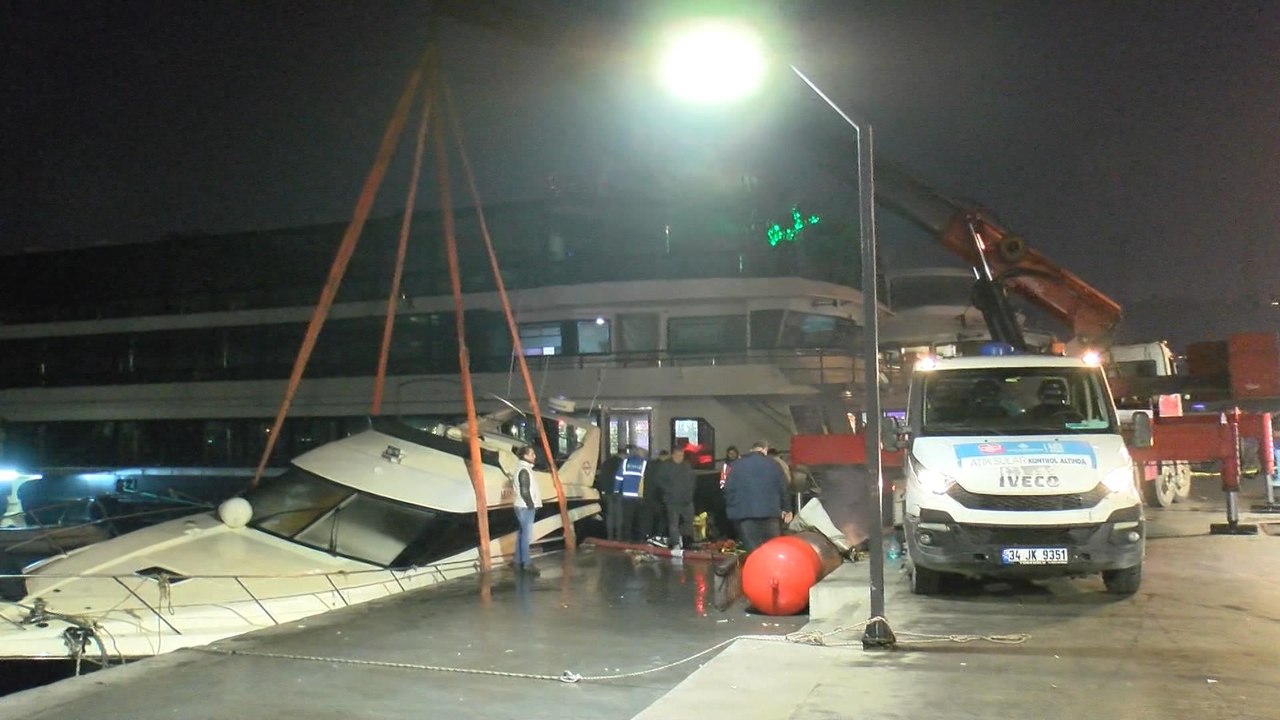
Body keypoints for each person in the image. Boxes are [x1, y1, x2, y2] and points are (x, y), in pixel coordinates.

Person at [723, 441, 792, 552]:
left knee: (753, 552)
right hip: (770, 515)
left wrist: (732, 509)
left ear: (751, 450)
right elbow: (783, 488)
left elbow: (728, 490)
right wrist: (787, 509)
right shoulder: (774, 465)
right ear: (765, 450)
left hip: (745, 516)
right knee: (773, 551)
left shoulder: (736, 465)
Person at [511, 445, 542, 576]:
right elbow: (525, 491)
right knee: (526, 536)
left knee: (521, 535)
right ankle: (527, 563)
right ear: (525, 456)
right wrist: (531, 504)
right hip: (525, 507)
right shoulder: (524, 470)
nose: (534, 456)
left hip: (520, 506)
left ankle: (518, 561)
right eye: (532, 454)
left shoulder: (522, 469)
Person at [611, 444, 647, 542]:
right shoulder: (644, 464)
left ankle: (627, 540)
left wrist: (616, 491)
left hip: (626, 496)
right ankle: (640, 541)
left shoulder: (625, 462)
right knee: (640, 520)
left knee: (627, 520)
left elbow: (618, 478)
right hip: (640, 497)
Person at [664, 447, 697, 549]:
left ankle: (686, 541)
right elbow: (659, 481)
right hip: (672, 501)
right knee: (673, 523)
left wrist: (690, 493)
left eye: (682, 455)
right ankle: (675, 543)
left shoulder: (686, 466)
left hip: (686, 500)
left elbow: (692, 480)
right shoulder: (666, 466)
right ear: (673, 455)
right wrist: (670, 491)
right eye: (678, 455)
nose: (680, 458)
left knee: (689, 522)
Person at [643, 449, 672, 544]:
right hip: (659, 496)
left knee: (649, 518)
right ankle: (659, 537)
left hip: (648, 495)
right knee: (662, 518)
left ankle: (647, 536)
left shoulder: (650, 465)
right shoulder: (664, 466)